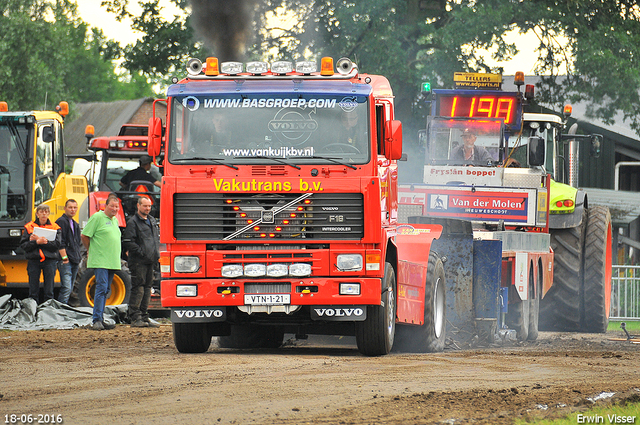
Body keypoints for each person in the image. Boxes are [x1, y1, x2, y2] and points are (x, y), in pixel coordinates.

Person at [81, 193, 122, 331]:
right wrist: (90, 250)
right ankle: (96, 319)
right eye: (112, 206)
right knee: (101, 288)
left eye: (117, 207)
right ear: (106, 205)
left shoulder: (115, 220)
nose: (115, 209)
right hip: (100, 260)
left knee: (106, 290)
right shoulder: (97, 217)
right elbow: (85, 235)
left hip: (112, 261)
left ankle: (101, 318)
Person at [123, 197, 160, 328]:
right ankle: (135, 317)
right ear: (138, 206)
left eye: (149, 206)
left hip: (151, 260)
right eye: (145, 206)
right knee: (138, 287)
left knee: (147, 288)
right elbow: (128, 242)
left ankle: (144, 316)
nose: (147, 208)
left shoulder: (151, 220)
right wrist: (142, 253)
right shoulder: (133, 222)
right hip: (138, 261)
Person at [19, 204, 62, 303]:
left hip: (49, 261)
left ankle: (48, 310)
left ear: (49, 214)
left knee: (49, 290)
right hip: (34, 260)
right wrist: (36, 242)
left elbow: (56, 245)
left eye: (46, 212)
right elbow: (24, 245)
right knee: (33, 289)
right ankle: (33, 309)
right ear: (37, 214)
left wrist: (43, 242)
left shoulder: (55, 227)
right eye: (41, 212)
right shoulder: (29, 227)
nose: (44, 214)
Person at [55, 199, 82, 305]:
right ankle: (60, 311)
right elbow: (60, 241)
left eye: (75, 207)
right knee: (66, 288)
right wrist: (64, 258)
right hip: (66, 260)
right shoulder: (61, 221)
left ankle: (63, 309)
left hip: (74, 259)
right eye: (70, 207)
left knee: (70, 288)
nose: (73, 210)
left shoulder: (75, 224)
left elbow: (77, 243)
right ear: (65, 208)